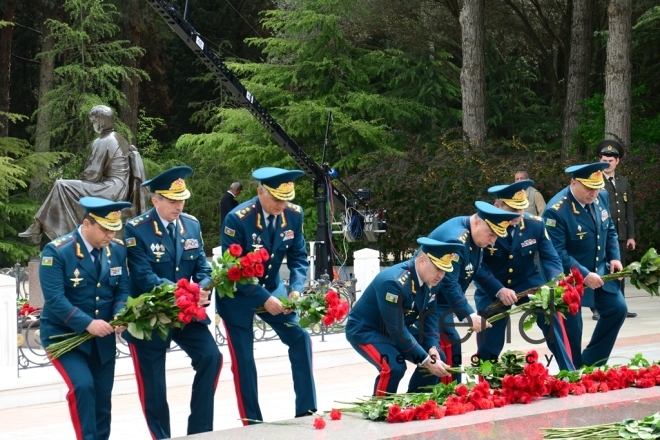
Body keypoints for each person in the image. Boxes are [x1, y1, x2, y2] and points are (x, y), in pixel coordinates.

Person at [123, 166, 222, 439]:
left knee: (211, 358)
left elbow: (202, 267)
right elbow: (144, 277)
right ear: (156, 201)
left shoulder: (191, 224)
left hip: (187, 312)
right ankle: (161, 436)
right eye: (172, 200)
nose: (179, 205)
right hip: (152, 314)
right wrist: (185, 292)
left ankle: (200, 432)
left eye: (182, 199)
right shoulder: (137, 229)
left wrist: (203, 289)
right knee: (154, 385)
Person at [218, 167, 315, 424]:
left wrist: (295, 287)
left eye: (286, 198)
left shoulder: (294, 214)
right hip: (238, 296)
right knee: (244, 361)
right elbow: (234, 269)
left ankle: (307, 410)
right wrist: (263, 299)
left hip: (273, 288)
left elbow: (298, 256)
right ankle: (252, 422)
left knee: (300, 337)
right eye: (276, 198)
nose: (281, 204)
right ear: (260, 192)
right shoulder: (237, 218)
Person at [39, 196, 132, 440]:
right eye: (105, 229)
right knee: (82, 388)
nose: (110, 236)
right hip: (65, 337)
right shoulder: (57, 251)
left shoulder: (117, 250)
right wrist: (87, 323)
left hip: (102, 341)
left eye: (114, 230)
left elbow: (122, 289)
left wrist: (121, 313)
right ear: (87, 224)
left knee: (102, 400)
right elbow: (55, 299)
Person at [473, 180, 574, 371]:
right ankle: (487, 385)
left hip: (527, 281)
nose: (519, 215)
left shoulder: (535, 224)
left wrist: (555, 281)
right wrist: (498, 290)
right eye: (512, 210)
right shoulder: (484, 227)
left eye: (521, 209)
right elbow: (478, 266)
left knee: (552, 318)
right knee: (488, 341)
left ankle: (568, 371)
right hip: (492, 286)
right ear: (497, 206)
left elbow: (550, 256)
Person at [345, 237, 463, 395]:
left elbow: (431, 316)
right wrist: (426, 360)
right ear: (421, 261)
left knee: (437, 356)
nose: (441, 275)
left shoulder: (432, 279)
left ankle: (417, 402)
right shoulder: (393, 282)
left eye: (444, 270)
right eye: (438, 269)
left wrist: (432, 347)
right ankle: (383, 410)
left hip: (397, 329)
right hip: (367, 330)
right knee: (394, 366)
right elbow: (397, 330)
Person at [543, 162, 627, 368]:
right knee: (573, 327)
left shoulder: (601, 198)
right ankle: (573, 370)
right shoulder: (556, 210)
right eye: (589, 188)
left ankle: (592, 362)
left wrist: (615, 257)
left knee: (618, 309)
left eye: (598, 187)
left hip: (600, 271)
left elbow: (610, 231)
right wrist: (583, 273)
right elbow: (557, 252)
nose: (594, 192)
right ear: (574, 183)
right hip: (570, 278)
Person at [426, 201, 516, 383]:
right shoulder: (456, 240)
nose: (493, 241)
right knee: (445, 349)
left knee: (448, 349)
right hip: (429, 301)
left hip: (440, 302)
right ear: (477, 223)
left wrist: (498, 290)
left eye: (497, 237)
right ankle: (447, 395)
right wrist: (469, 315)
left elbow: (476, 268)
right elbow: (449, 283)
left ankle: (450, 394)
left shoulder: (474, 237)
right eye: (491, 234)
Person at [19, 105, 140, 242]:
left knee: (61, 185)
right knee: (64, 186)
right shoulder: (119, 138)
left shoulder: (103, 141)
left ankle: (40, 225)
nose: (93, 124)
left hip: (110, 189)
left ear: (100, 122)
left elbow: (92, 175)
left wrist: (79, 182)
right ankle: (39, 224)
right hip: (119, 188)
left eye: (94, 121)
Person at [599, 140, 636, 319]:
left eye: (611, 160)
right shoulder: (595, 181)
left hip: (620, 235)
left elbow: (628, 210)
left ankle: (621, 306)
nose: (607, 163)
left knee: (620, 272)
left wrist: (631, 236)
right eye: (604, 160)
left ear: (617, 161)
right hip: (602, 234)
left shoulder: (623, 182)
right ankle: (598, 308)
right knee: (601, 271)